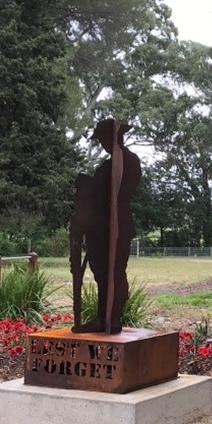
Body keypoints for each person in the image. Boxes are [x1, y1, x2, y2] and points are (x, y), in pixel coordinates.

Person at [70, 119, 141, 333]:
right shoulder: (108, 165)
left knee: (115, 274)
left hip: (116, 228)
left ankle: (110, 318)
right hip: (100, 229)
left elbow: (116, 192)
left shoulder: (126, 162)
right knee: (102, 274)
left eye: (103, 139)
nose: (102, 144)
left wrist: (89, 187)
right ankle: (105, 317)